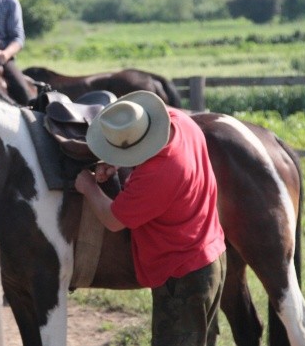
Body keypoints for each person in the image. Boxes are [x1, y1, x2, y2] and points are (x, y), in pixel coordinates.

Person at [74, 90, 226, 346]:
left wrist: (88, 185)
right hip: (210, 254)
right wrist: (120, 162)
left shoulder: (157, 174)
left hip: (182, 276)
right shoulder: (180, 121)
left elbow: (113, 219)